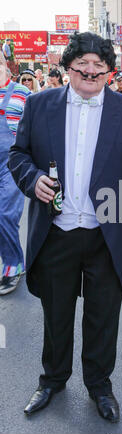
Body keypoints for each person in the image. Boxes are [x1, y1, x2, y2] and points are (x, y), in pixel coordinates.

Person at [8, 31, 122, 422]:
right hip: (56, 231)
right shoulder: (38, 105)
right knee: (56, 313)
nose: (90, 70)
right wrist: (33, 180)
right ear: (68, 67)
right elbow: (18, 155)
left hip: (106, 233)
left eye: (99, 65)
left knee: (103, 316)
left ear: (110, 72)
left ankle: (100, 385)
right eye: (82, 63)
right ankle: (52, 380)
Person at [0, 53, 30, 295]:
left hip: (12, 163)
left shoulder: (22, 92)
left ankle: (13, 265)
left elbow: (37, 125)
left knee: (5, 214)